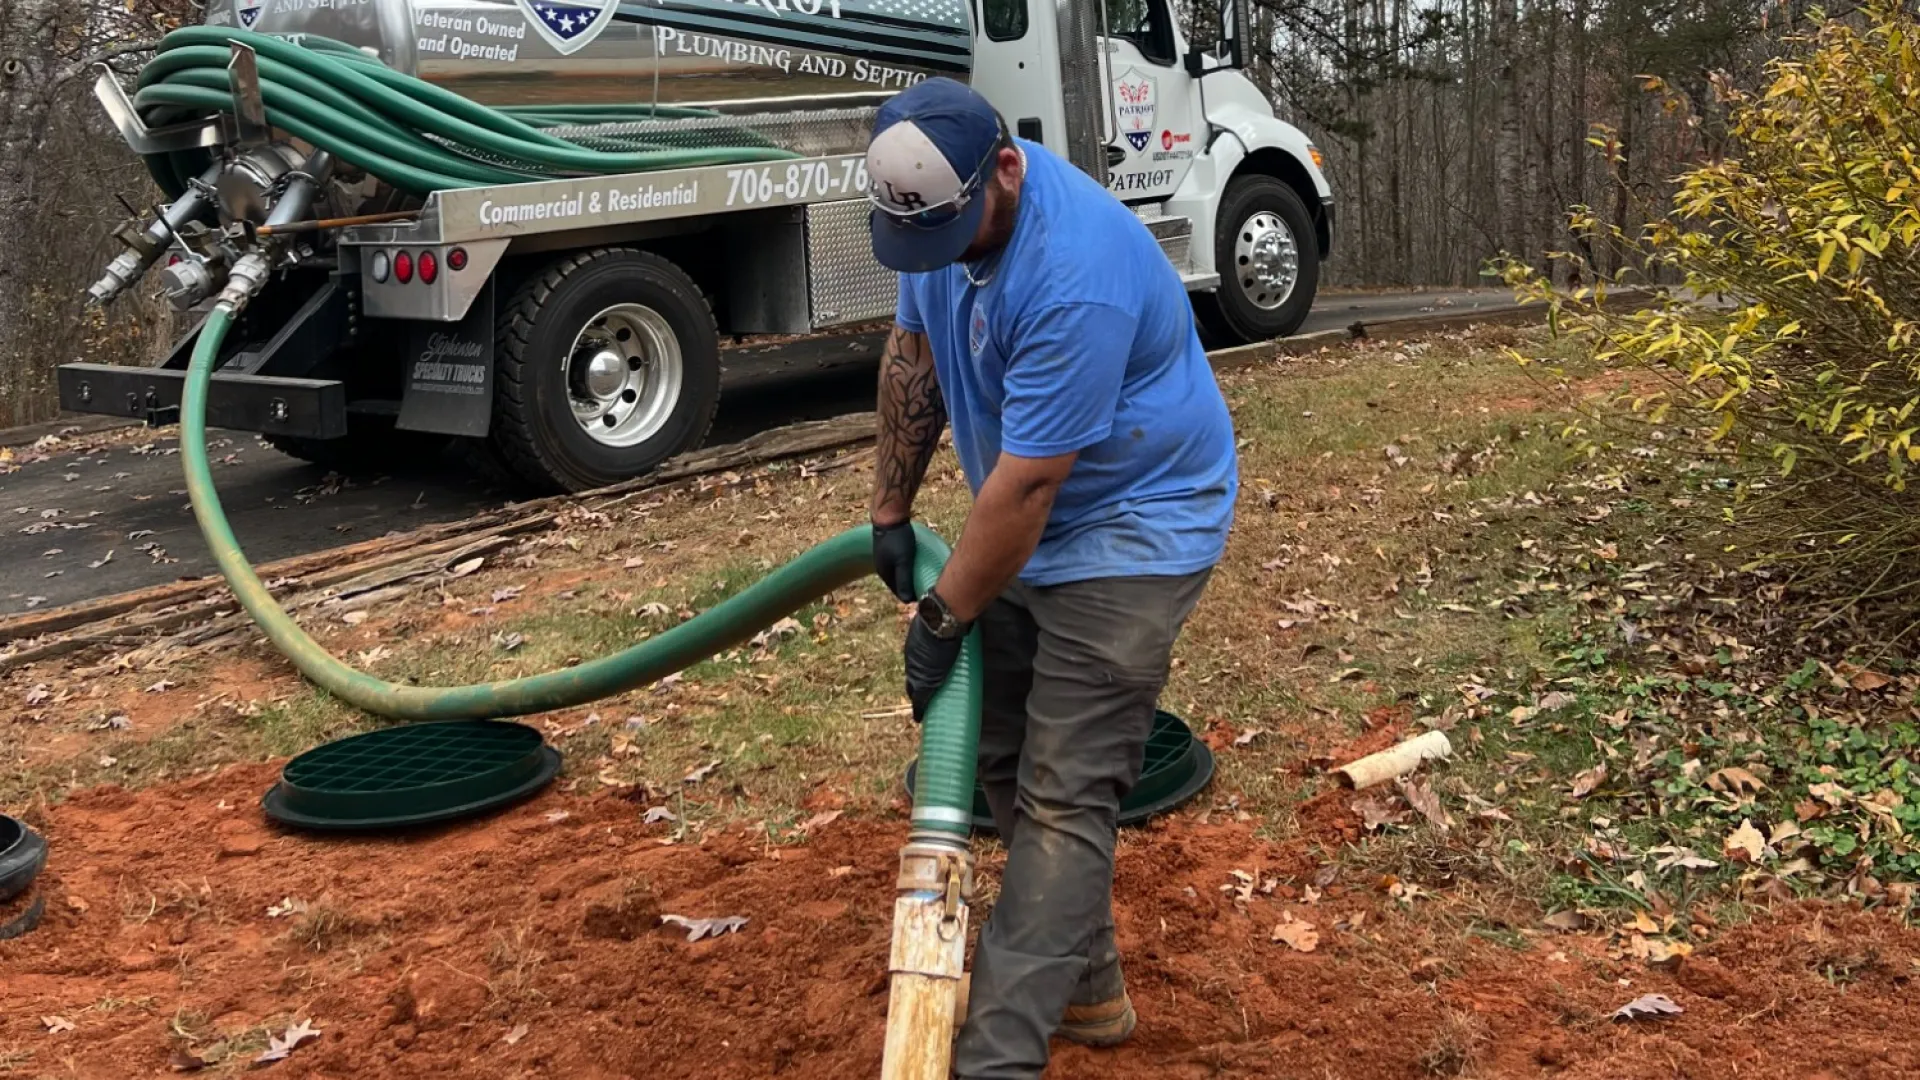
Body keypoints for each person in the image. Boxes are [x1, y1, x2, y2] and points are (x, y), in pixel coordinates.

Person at [862, 77, 1239, 1078]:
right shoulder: (936, 208)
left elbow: (1029, 491)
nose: (936, 259)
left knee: (1067, 796)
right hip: (1023, 523)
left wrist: (944, 618)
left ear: (1007, 169)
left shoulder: (1078, 270)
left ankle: (996, 1059)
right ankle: (1089, 988)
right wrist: (891, 511)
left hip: (1134, 525)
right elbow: (915, 359)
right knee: (998, 751)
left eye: (951, 233)